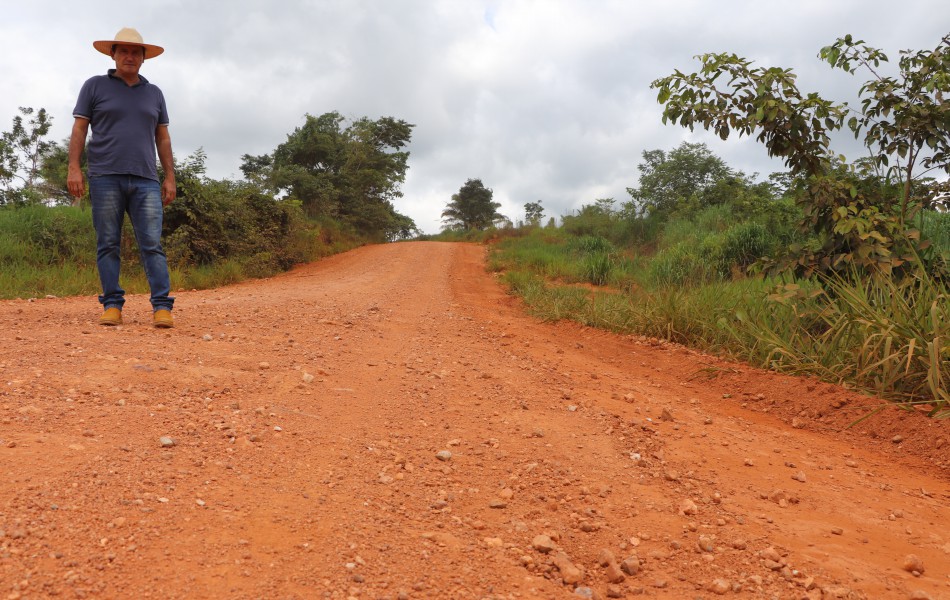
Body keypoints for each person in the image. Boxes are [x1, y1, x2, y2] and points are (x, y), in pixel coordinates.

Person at [67, 27, 176, 328]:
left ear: (143, 58)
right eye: (123, 51)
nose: (130, 56)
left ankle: (162, 307)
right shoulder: (94, 86)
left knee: (152, 243)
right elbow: (79, 129)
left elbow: (162, 138)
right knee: (107, 243)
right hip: (104, 176)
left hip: (145, 179)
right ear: (113, 54)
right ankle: (112, 305)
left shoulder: (154, 93)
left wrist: (169, 176)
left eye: (135, 52)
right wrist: (74, 168)